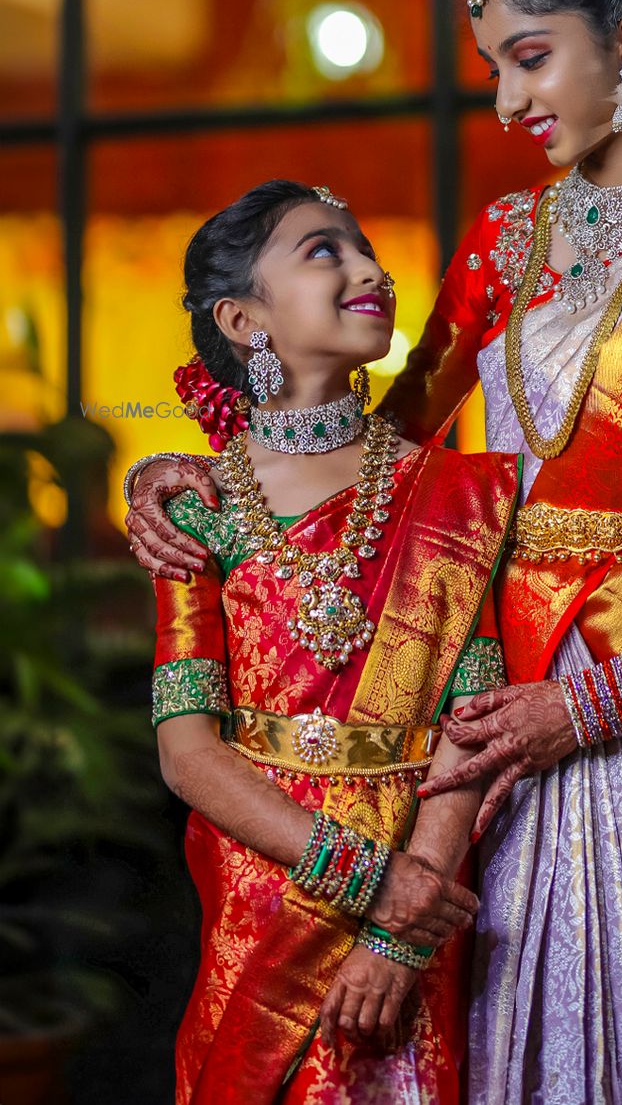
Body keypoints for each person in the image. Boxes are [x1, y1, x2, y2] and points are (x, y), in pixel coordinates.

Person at [127, 0, 622, 1105]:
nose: (510, 103)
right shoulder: (503, 240)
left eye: (530, 59)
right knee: (490, 1032)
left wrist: (593, 705)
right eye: (494, 68)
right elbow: (374, 444)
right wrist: (188, 469)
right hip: (475, 693)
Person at [139, 179, 519, 1103]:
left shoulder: (456, 493)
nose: (370, 270)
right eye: (324, 251)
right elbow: (188, 752)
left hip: (424, 878)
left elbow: (473, 719)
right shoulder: (197, 506)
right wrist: (364, 879)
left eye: (367, 251)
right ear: (242, 317)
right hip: (263, 888)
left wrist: (401, 927)